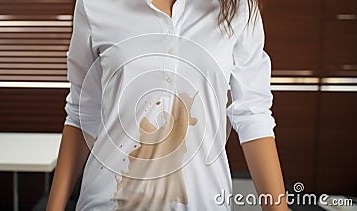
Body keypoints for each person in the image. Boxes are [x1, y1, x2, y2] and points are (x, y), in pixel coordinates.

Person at [47, 0, 289, 210]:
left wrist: (277, 208)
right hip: (108, 201)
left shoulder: (240, 8)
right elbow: (82, 113)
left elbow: (253, 114)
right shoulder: (95, 5)